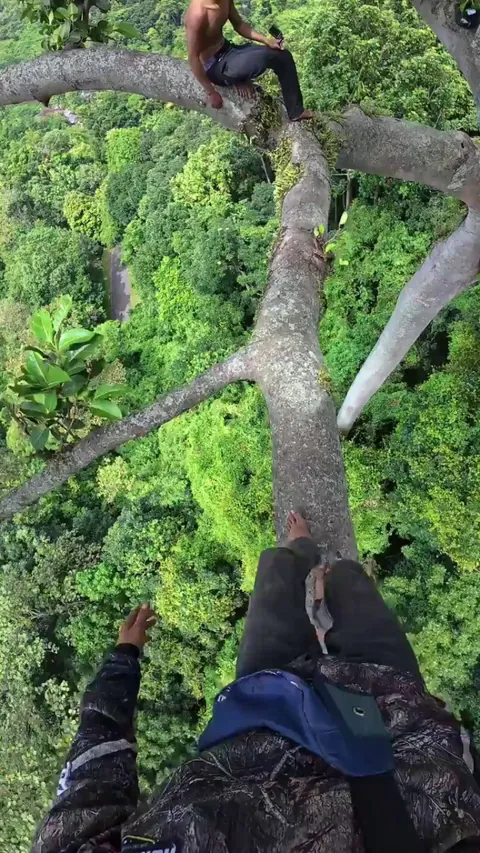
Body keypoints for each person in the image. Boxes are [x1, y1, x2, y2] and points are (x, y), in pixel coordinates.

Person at [33, 511, 480, 853]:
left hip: (263, 709)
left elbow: (92, 771)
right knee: (348, 581)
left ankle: (302, 552)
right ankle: (326, 586)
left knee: (278, 577)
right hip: (395, 720)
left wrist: (123, 659)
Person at [184, 0, 313, 121]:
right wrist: (211, 92)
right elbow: (193, 57)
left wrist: (267, 41)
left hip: (229, 51)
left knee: (282, 56)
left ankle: (296, 111)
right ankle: (236, 78)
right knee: (263, 58)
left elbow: (239, 24)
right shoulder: (197, 15)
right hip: (215, 66)